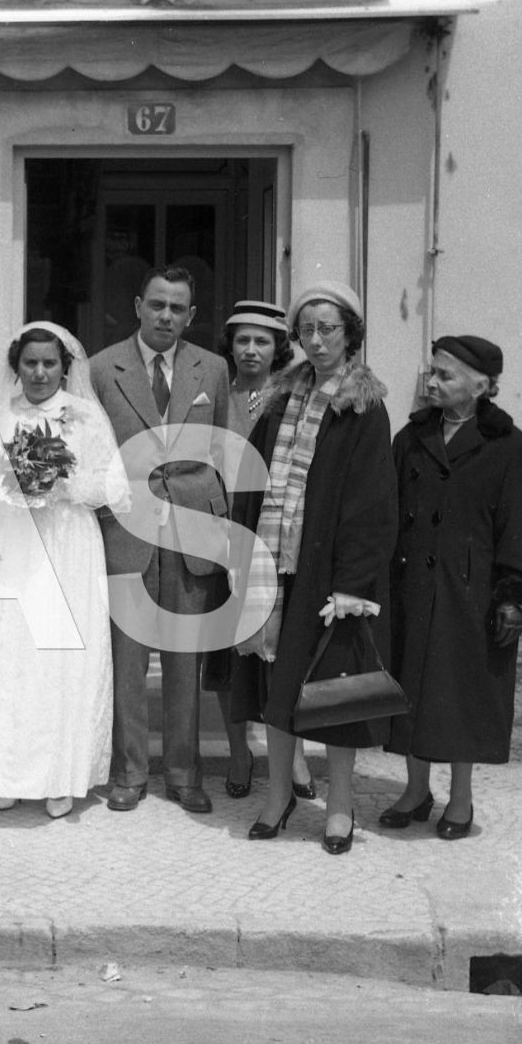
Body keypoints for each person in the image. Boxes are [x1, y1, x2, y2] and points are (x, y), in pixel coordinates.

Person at [231, 281, 397, 854]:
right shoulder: (280, 397)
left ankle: (341, 808)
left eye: (329, 329)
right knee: (277, 685)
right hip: (273, 563)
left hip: (329, 573)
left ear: (350, 333)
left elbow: (372, 502)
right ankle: (277, 796)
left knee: (334, 691)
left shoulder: (365, 406)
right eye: (307, 330)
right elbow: (252, 476)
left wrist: (354, 583)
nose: (318, 340)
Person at [0, 323, 128, 817]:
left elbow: (113, 485)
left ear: (65, 366)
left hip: (67, 542)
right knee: (9, 655)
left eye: (49, 363)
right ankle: (2, 773)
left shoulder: (85, 415)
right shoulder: (3, 415)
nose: (39, 372)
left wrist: (60, 481)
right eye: (30, 362)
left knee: (59, 659)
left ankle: (59, 777)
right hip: (13, 543)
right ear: (18, 366)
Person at [384, 335, 522, 838]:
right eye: (432, 372)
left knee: (461, 692)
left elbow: (520, 526)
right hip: (412, 585)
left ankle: (461, 799)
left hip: (469, 593)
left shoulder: (509, 447)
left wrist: (513, 595)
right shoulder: (410, 439)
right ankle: (415, 790)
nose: (432, 382)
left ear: (481, 386)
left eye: (445, 375)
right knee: (408, 689)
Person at [89, 265, 231, 815]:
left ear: (191, 316)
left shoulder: (211, 369)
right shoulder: (103, 369)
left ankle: (183, 772)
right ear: (137, 306)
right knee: (128, 659)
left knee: (183, 659)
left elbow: (225, 449)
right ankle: (128, 772)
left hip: (192, 530)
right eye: (156, 305)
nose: (166, 316)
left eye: (177, 308)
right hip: (127, 528)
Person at [203, 301, 315, 802]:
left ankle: (292, 758)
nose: (251, 350)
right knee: (228, 657)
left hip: (277, 541)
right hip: (223, 540)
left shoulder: (294, 398)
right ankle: (239, 752)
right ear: (230, 346)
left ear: (279, 348)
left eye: (262, 341)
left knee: (280, 652)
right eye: (243, 341)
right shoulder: (214, 398)